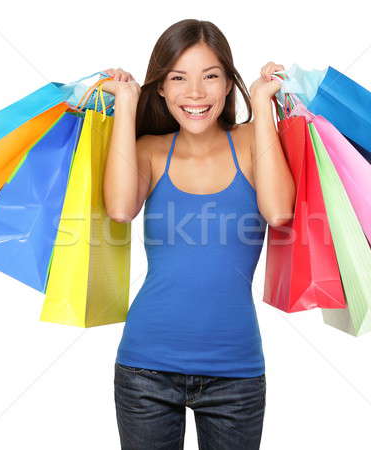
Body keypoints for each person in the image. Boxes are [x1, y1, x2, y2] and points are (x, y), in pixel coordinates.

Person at [101, 18, 295, 450]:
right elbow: (119, 209)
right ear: (163, 88)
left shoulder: (251, 142)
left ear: (229, 83)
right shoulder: (150, 150)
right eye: (178, 78)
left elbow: (279, 212)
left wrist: (262, 104)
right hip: (145, 372)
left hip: (236, 373)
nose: (194, 93)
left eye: (210, 76)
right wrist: (127, 103)